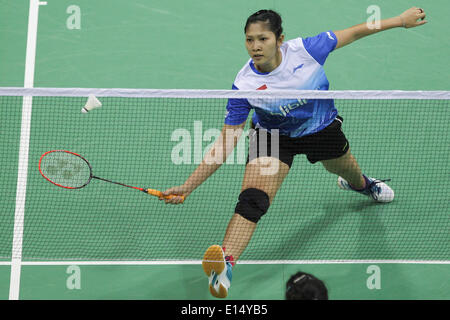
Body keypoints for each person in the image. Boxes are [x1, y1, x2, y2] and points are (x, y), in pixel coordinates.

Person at [161, 7, 427, 298]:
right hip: (272, 136)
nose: (255, 46)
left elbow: (354, 32)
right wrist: (189, 185)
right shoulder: (244, 85)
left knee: (346, 170)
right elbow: (225, 142)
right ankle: (225, 264)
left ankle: (362, 184)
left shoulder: (306, 50)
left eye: (262, 38)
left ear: (280, 39)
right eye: (249, 40)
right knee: (253, 200)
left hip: (321, 128)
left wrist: (400, 21)